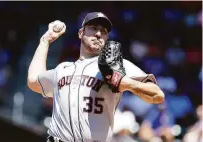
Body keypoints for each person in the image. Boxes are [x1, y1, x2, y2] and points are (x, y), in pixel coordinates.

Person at [27, 12, 165, 142]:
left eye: (104, 31)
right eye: (93, 28)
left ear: (107, 39)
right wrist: (45, 41)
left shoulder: (115, 65)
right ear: (81, 33)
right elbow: (33, 81)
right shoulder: (62, 69)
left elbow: (158, 95)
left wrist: (124, 82)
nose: (98, 34)